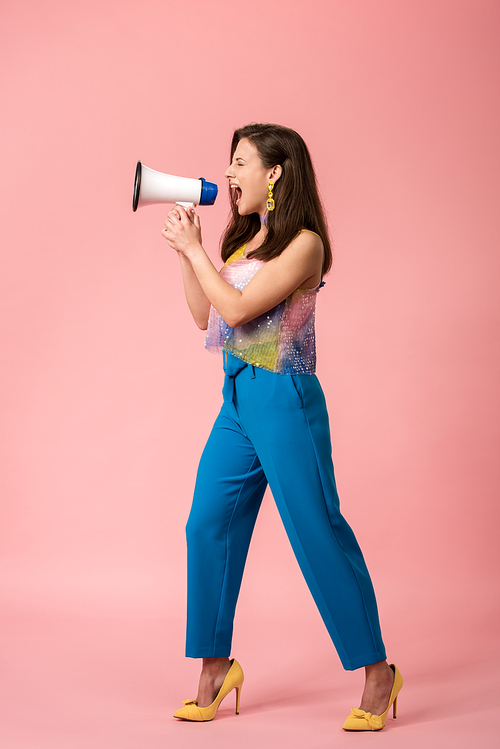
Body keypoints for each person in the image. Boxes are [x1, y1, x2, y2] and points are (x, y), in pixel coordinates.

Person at [161, 123, 402, 731]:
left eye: (240, 161)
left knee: (315, 529)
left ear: (274, 172)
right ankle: (216, 668)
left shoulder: (305, 244)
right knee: (207, 524)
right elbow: (203, 317)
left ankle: (378, 672)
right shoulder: (245, 244)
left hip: (285, 397)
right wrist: (190, 254)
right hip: (238, 399)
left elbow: (240, 309)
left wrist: (196, 253)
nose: (230, 172)